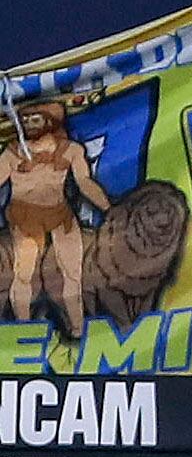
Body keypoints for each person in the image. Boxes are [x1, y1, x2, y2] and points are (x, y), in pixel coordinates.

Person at [0, 100, 110, 334]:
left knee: (73, 274)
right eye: (25, 120)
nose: (29, 124)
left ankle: (79, 330)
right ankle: (23, 331)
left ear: (50, 121)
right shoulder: (12, 153)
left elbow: (85, 183)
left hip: (60, 215)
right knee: (24, 275)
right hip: (24, 218)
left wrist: (109, 209)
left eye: (35, 119)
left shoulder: (71, 149)